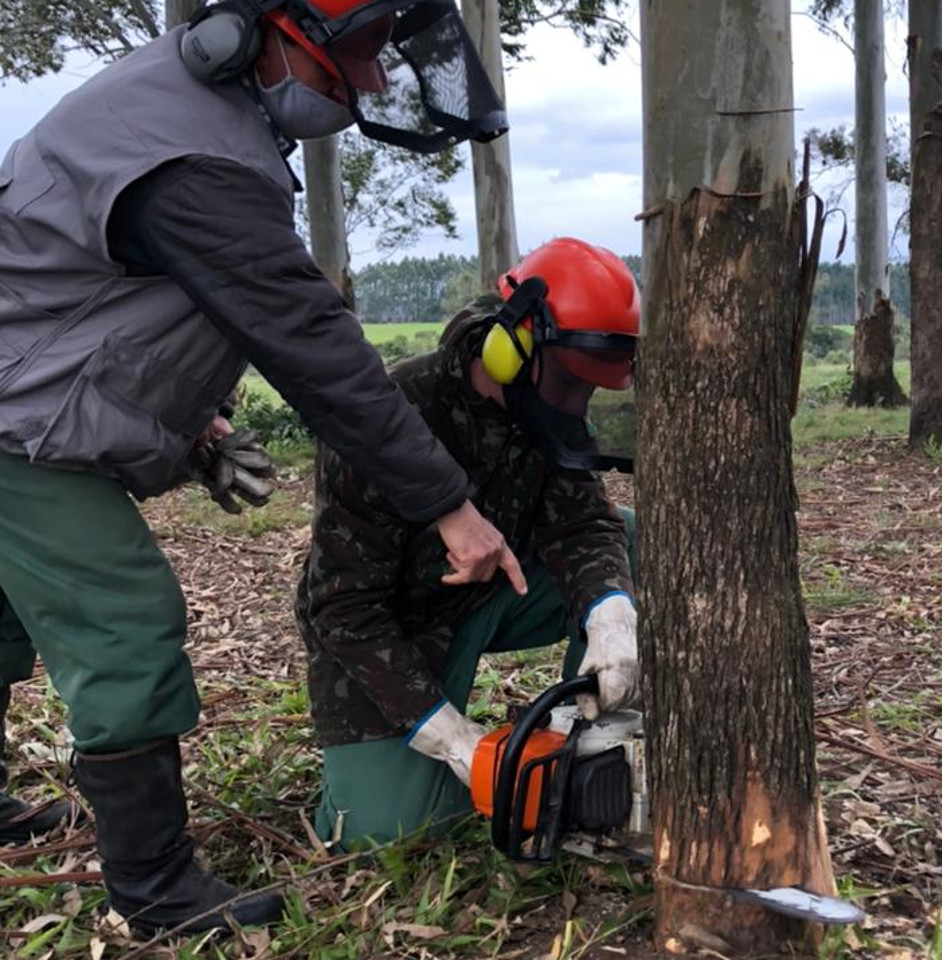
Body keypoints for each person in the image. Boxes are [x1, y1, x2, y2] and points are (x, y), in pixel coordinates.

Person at [0, 0, 507, 935]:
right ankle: (155, 893)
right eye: (351, 53)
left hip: (22, 400)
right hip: (14, 431)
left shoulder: (187, 116)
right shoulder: (193, 155)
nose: (366, 82)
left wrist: (194, 432)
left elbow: (92, 307)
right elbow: (309, 344)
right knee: (123, 624)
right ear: (246, 33)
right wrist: (447, 503)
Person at [296, 237, 640, 850]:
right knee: (386, 833)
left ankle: (592, 739)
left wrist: (612, 621)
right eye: (570, 382)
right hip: (395, 629)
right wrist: (456, 740)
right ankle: (428, 772)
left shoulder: (550, 405)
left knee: (631, 540)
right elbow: (340, 609)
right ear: (513, 348)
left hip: (495, 599)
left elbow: (584, 525)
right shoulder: (389, 418)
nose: (578, 404)